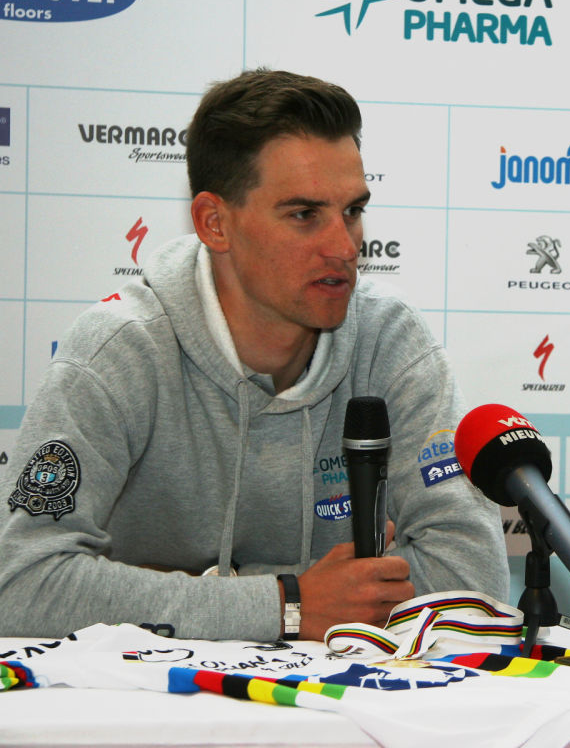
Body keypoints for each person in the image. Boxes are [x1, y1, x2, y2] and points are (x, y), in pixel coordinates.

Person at [0, 69, 507, 641]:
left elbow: (474, 581)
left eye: (352, 211)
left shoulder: (389, 341)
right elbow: (18, 583)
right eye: (304, 215)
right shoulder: (121, 351)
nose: (344, 247)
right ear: (214, 223)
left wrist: (207, 592)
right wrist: (288, 602)